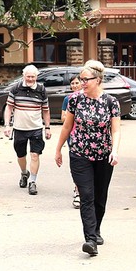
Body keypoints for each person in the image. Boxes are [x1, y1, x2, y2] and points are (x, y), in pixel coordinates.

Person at [55, 60, 121, 257]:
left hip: (103, 155)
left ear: (98, 80)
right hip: (79, 154)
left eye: (86, 79)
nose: (82, 82)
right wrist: (58, 149)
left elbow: (116, 130)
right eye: (80, 79)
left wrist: (114, 150)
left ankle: (97, 229)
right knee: (86, 195)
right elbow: (67, 126)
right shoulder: (75, 100)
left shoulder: (111, 102)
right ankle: (90, 239)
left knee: (100, 197)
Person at [3, 64, 51, 195]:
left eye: (33, 77)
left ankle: (33, 182)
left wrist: (47, 127)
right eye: (28, 76)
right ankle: (24, 173)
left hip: (36, 127)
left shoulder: (41, 89)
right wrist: (7, 125)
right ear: (24, 76)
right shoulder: (16, 88)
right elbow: (9, 108)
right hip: (19, 128)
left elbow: (46, 110)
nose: (30, 79)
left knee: (35, 155)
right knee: (21, 155)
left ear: (36, 76)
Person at [61, 75, 83, 209]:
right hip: (73, 135)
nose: (75, 85)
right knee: (77, 164)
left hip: (88, 137)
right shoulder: (67, 99)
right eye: (72, 84)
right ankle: (77, 190)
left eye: (77, 83)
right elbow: (64, 118)